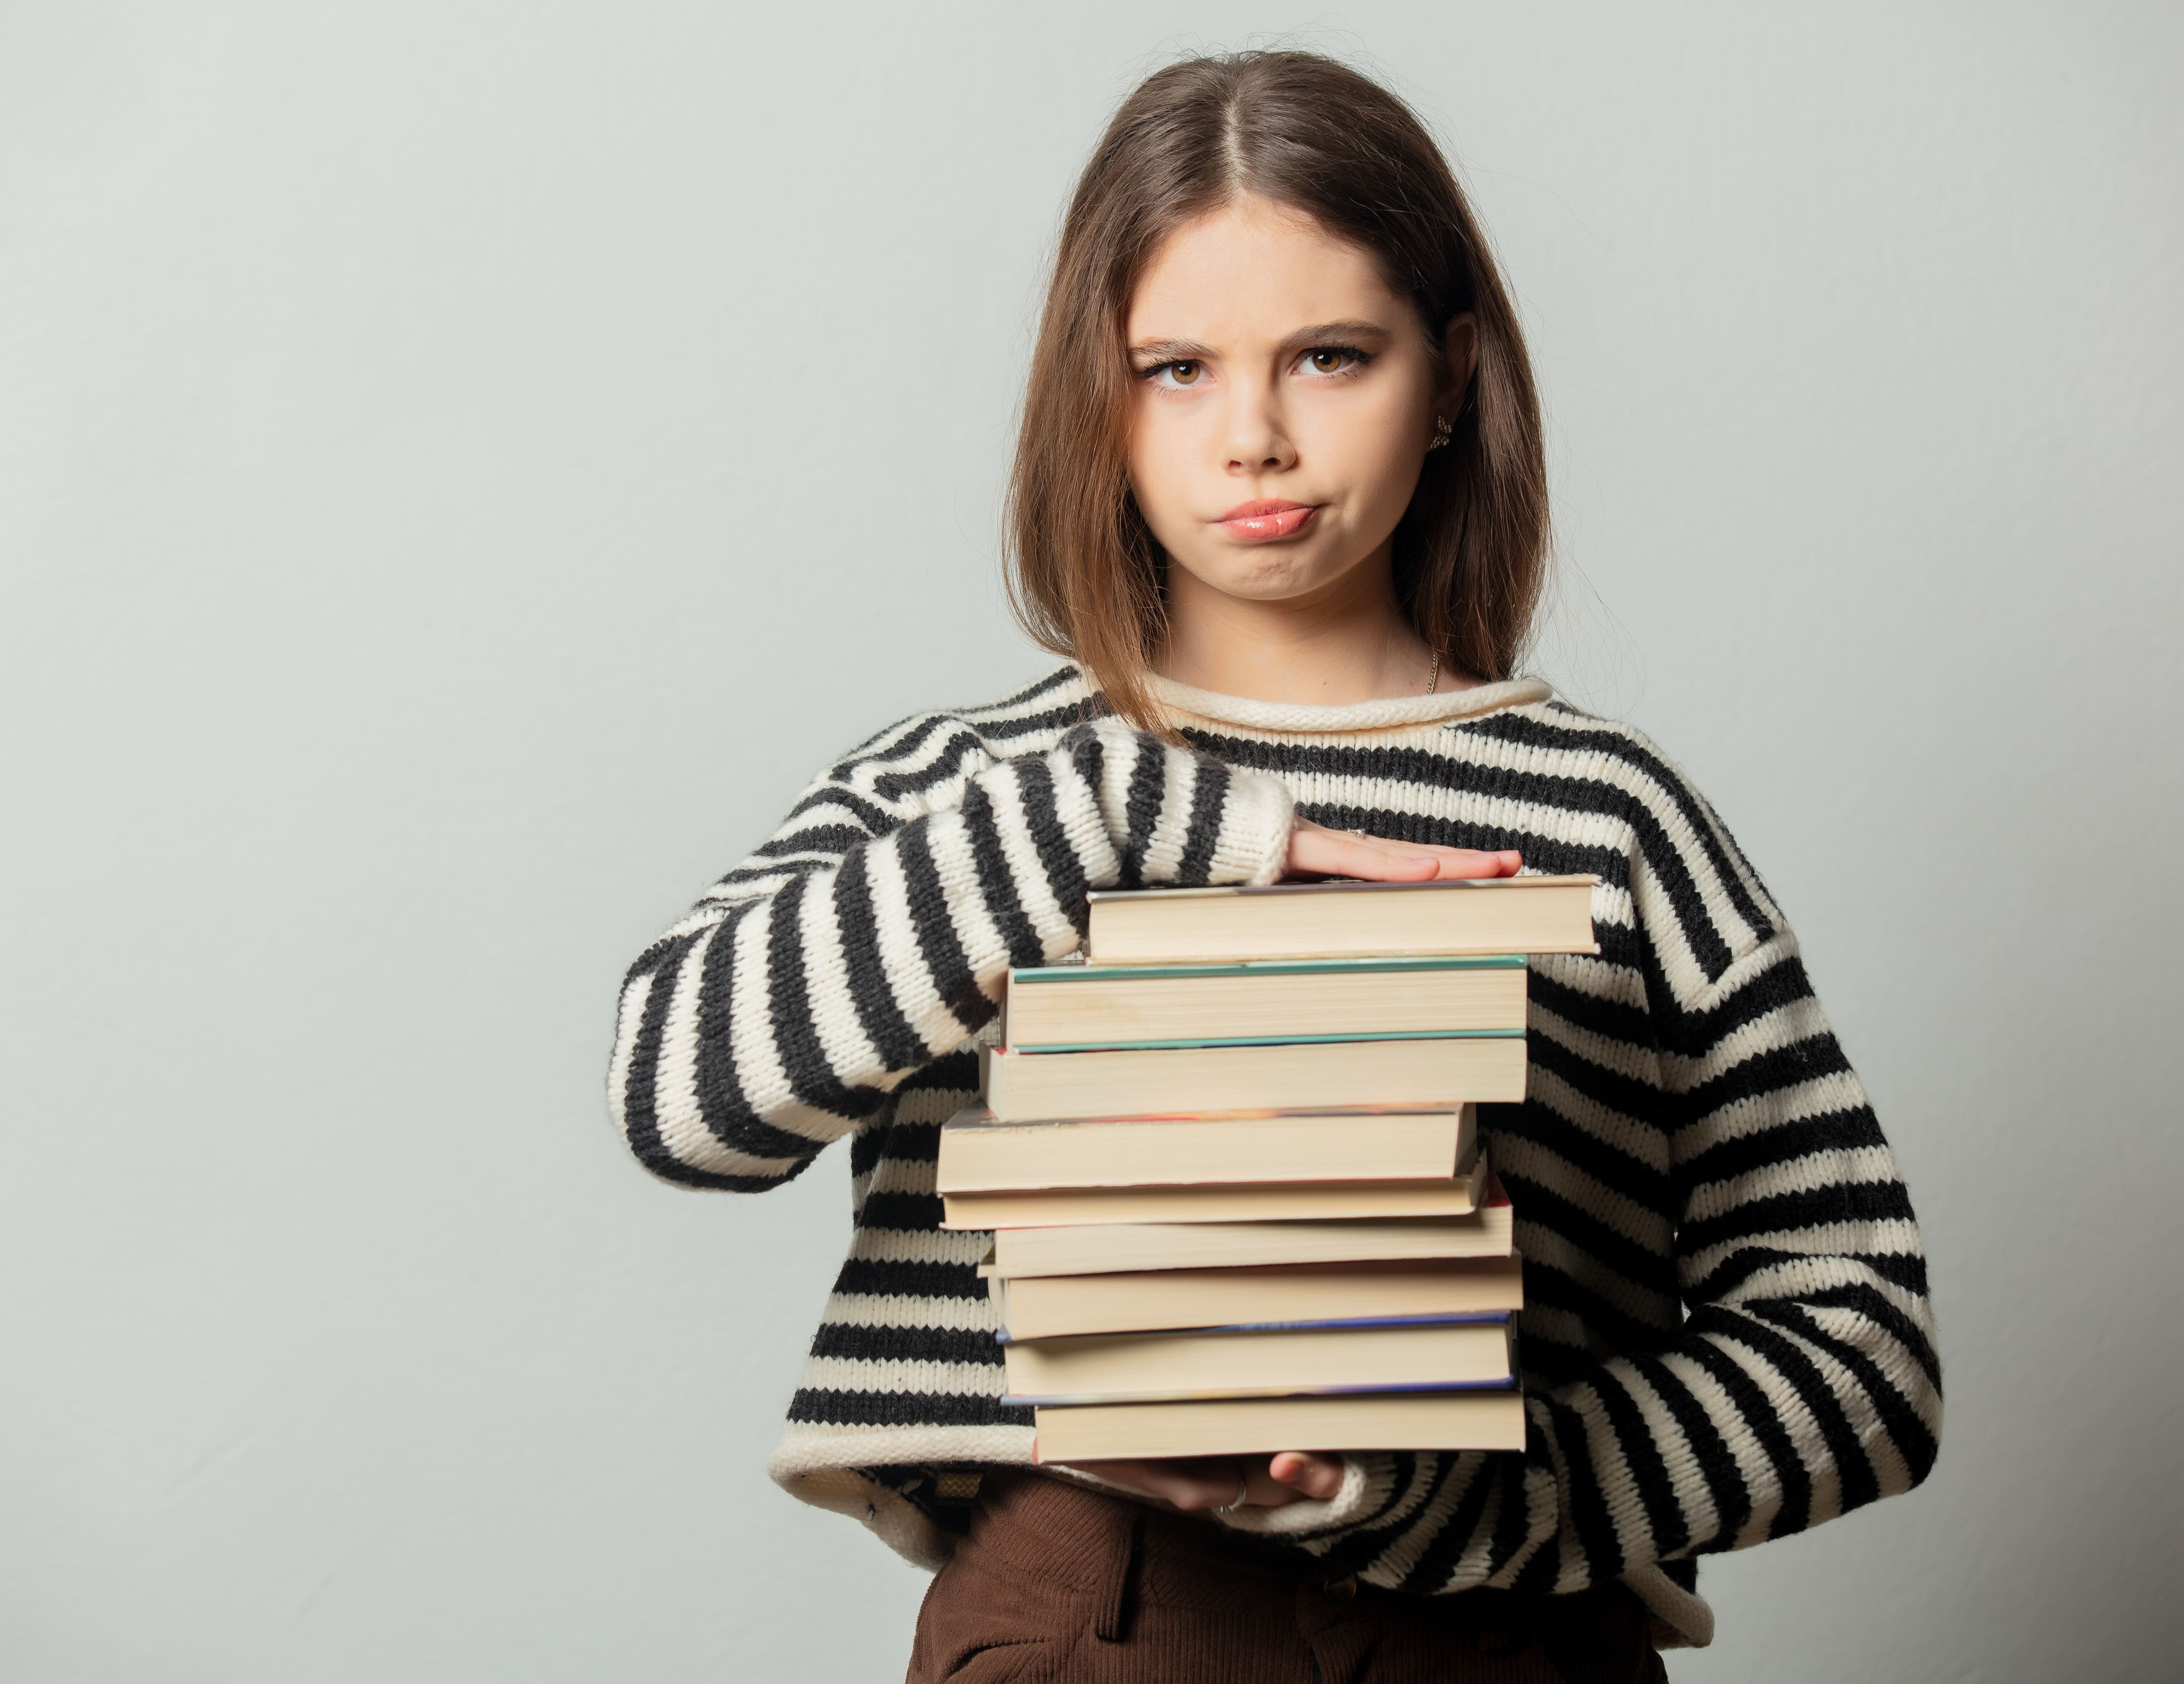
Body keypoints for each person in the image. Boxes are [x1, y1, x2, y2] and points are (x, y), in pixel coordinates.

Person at [608, 49, 1939, 1682]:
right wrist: (1107, 810)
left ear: (1449, 374)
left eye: (1329, 355)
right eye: (1174, 366)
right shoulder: (976, 784)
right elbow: (677, 1097)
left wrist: (1464, 1501)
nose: (1253, 437)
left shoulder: (1613, 815)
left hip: (1502, 1627)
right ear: (1093, 397)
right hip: (1088, 1608)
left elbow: (1861, 1346)